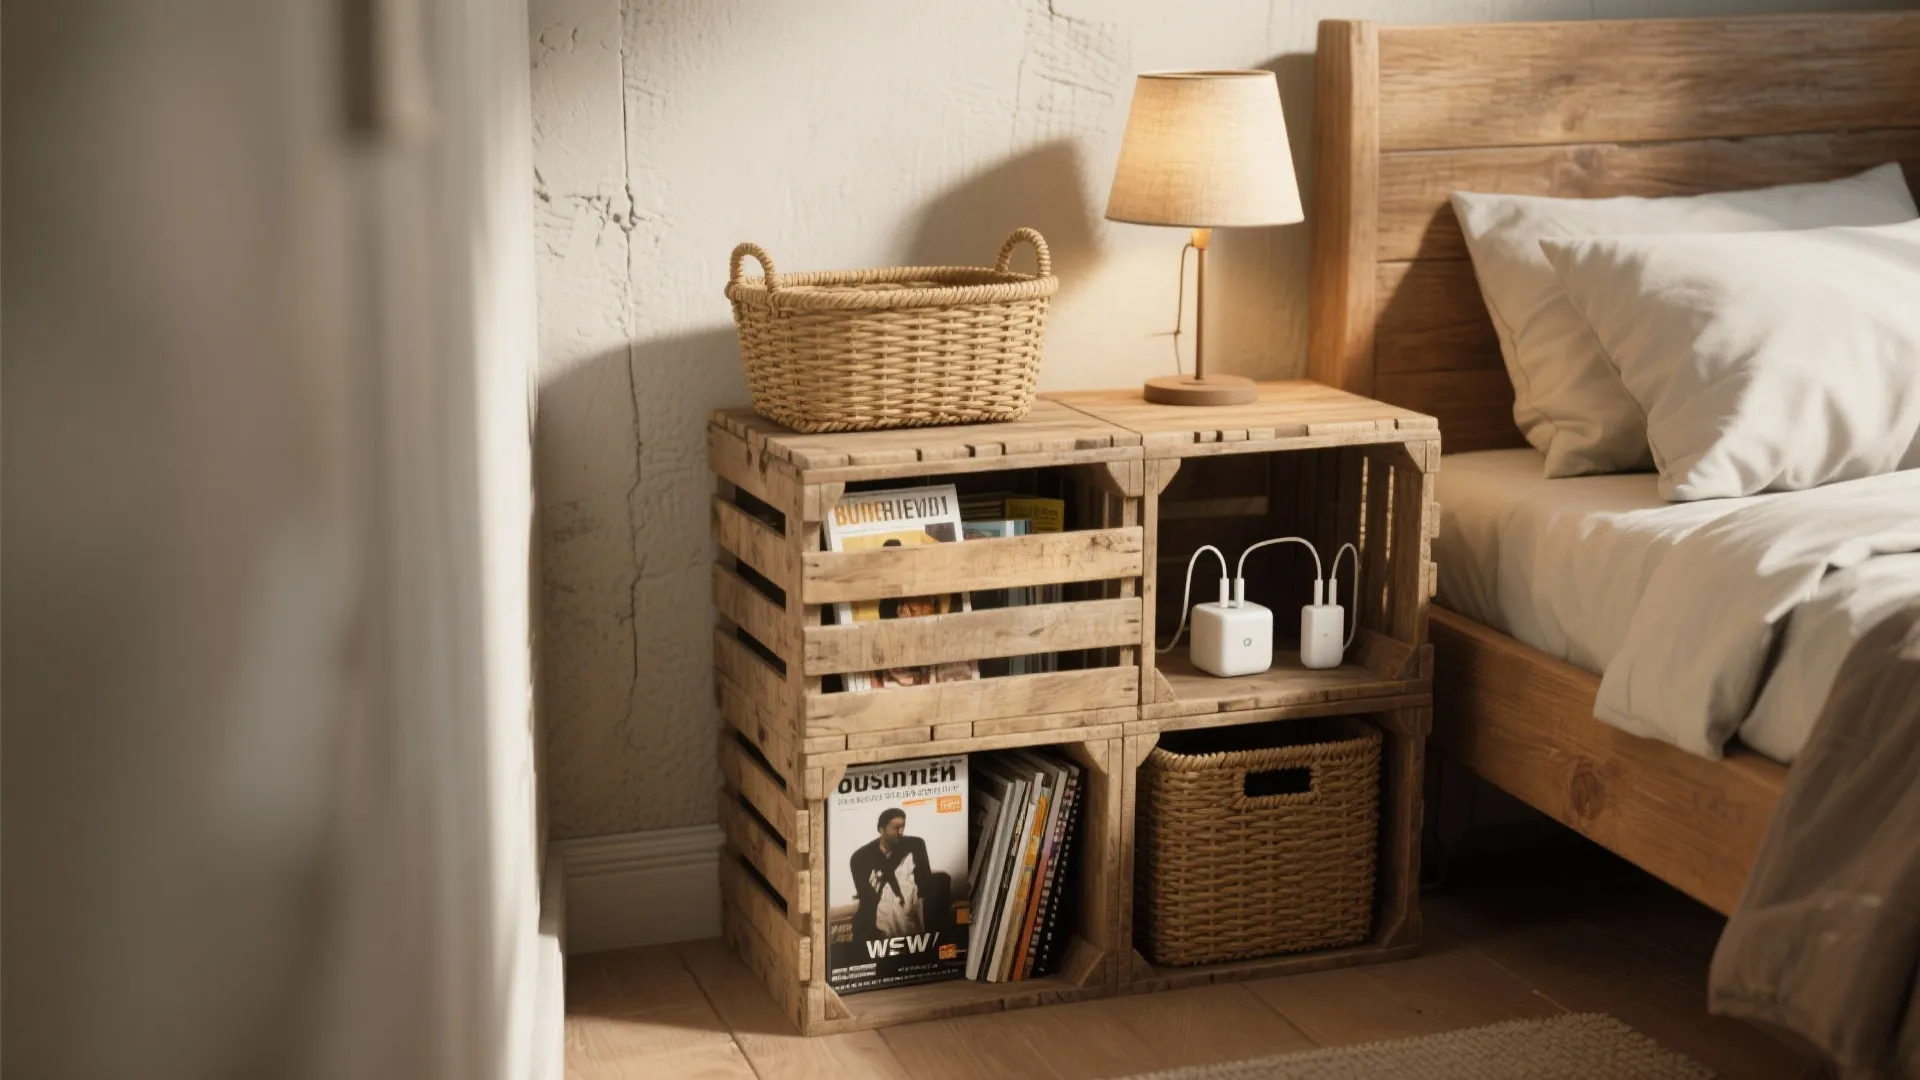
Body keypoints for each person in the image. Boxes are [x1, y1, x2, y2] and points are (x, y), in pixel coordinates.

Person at [848, 808, 936, 947]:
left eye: (903, 827)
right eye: (896, 828)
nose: (901, 832)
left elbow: (925, 884)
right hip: (881, 919)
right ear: (881, 829)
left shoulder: (916, 845)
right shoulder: (860, 857)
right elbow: (866, 898)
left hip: (910, 913)